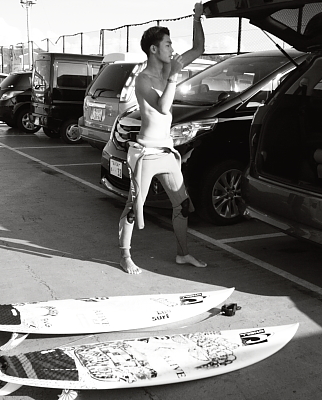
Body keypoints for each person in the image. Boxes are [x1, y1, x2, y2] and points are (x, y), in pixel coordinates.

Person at [118, 2, 207, 274]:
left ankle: (182, 254)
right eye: (168, 44)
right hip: (146, 154)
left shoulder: (168, 71)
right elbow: (163, 107)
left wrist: (197, 18)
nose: (172, 48)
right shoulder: (143, 80)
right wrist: (174, 76)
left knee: (183, 205)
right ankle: (125, 255)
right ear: (154, 49)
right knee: (133, 209)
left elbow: (199, 49)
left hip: (166, 153)